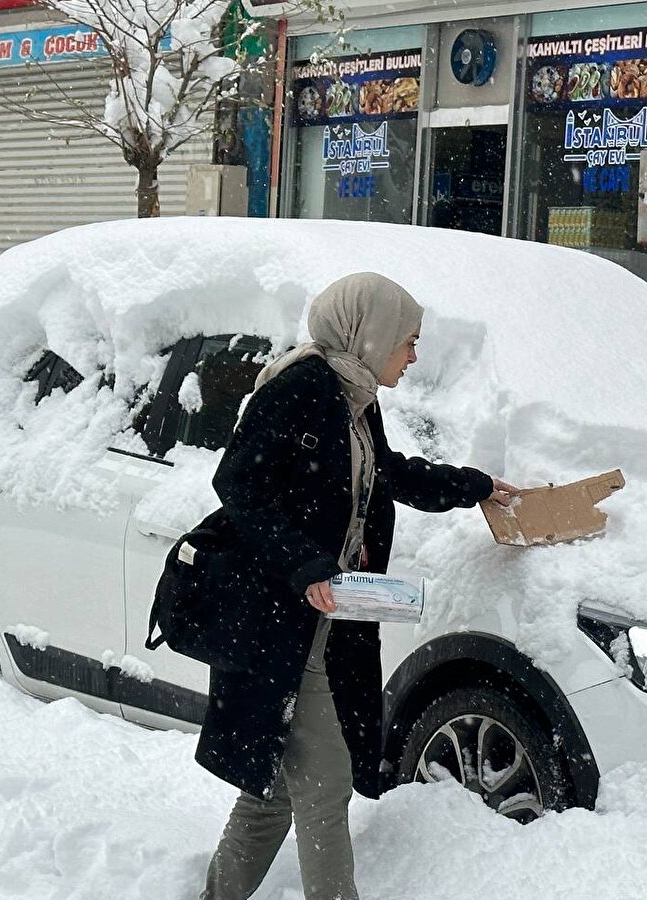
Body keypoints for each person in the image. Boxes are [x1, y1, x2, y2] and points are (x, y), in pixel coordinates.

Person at [197, 272, 514, 900]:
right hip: (280, 622)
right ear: (372, 333)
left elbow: (384, 472)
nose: (413, 355)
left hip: (320, 621)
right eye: (408, 340)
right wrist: (306, 564)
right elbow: (238, 485)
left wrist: (472, 486)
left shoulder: (353, 394)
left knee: (274, 790)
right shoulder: (300, 388)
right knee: (324, 785)